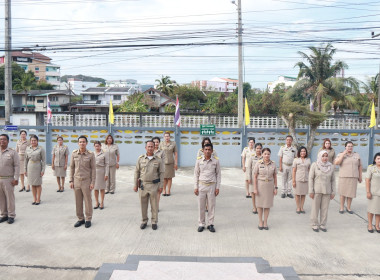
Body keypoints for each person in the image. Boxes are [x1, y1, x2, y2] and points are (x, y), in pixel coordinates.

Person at [134, 140, 164, 230]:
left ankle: (154, 222)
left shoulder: (158, 159)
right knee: (143, 205)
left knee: (154, 205)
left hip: (154, 185)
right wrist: (135, 184)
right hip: (143, 185)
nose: (150, 148)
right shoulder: (141, 159)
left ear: (154, 147)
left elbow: (162, 173)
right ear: (145, 148)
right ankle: (144, 221)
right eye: (148, 146)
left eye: (152, 146)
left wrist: (161, 186)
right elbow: (137, 172)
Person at [69, 136, 96, 228]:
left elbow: (93, 169)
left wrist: (92, 182)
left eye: (83, 142)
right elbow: (72, 167)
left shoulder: (90, 154)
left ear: (86, 143)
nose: (82, 143)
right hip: (76, 181)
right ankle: (80, 219)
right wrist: (71, 180)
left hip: (86, 181)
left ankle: (88, 218)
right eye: (80, 142)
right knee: (78, 201)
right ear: (78, 143)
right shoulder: (74, 154)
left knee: (88, 201)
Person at [194, 143, 221, 233]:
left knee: (211, 206)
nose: (207, 151)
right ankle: (201, 224)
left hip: (212, 186)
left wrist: (217, 187)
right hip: (201, 186)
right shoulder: (199, 161)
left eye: (209, 149)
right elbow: (196, 174)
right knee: (201, 206)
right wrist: (195, 187)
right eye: (206, 149)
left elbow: (218, 175)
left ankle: (210, 224)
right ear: (203, 150)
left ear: (212, 151)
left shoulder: (216, 161)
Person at [309, 150, 336, 232]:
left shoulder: (331, 166)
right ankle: (314, 224)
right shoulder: (315, 165)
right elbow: (311, 178)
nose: (325, 158)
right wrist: (311, 191)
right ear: (320, 156)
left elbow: (333, 180)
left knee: (325, 209)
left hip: (327, 191)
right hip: (317, 190)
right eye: (323, 156)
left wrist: (333, 191)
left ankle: (323, 224)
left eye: (326, 156)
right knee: (315, 208)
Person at [334, 141, 362, 214]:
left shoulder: (356, 155)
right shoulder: (341, 154)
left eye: (351, 146)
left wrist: (360, 176)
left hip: (353, 177)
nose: (350, 147)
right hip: (344, 177)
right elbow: (336, 163)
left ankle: (349, 207)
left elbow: (360, 166)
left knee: (351, 193)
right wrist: (343, 154)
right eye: (348, 146)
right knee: (342, 193)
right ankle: (342, 207)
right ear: (345, 147)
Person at [253, 148, 277, 230]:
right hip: (260, 185)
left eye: (268, 154)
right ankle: (260, 221)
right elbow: (255, 176)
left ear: (270, 155)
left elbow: (275, 176)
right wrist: (255, 188)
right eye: (265, 154)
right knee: (259, 205)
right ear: (262, 154)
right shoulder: (258, 163)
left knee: (267, 205)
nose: (267, 155)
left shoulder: (273, 164)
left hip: (270, 186)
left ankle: (265, 222)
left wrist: (276, 188)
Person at [0, 134, 20, 224]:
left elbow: (17, 165)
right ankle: (4, 215)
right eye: (0, 139)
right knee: (1, 198)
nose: (2, 141)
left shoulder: (12, 152)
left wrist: (16, 178)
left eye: (4, 139)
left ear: (8, 141)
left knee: (10, 198)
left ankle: (11, 215)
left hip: (8, 179)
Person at [25, 135, 46, 205]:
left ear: (37, 141)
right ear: (30, 141)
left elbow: (44, 160)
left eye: (34, 140)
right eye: (32, 140)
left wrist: (43, 170)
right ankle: (34, 198)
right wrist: (25, 170)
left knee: (38, 184)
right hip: (30, 167)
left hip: (37, 166)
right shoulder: (28, 148)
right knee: (32, 184)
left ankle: (38, 199)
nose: (33, 142)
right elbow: (26, 160)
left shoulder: (41, 149)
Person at [292, 146, 311, 214]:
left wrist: (310, 179)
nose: (303, 152)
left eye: (304, 151)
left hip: (305, 179)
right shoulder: (296, 160)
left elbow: (309, 170)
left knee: (303, 194)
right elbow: (294, 171)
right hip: (298, 179)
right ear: (299, 152)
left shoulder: (308, 160)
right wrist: (293, 181)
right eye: (301, 151)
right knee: (297, 194)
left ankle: (302, 207)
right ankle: (298, 207)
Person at [159, 132, 178, 196]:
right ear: (164, 137)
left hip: (170, 163)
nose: (167, 137)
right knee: (164, 177)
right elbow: (159, 153)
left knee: (169, 177)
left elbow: (175, 153)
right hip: (163, 163)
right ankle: (164, 190)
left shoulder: (173, 143)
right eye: (165, 136)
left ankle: (168, 190)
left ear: (170, 137)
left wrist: (176, 163)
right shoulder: (161, 144)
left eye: (168, 136)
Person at [365, 153, 380, 233]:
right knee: (371, 210)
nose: (379, 160)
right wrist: (368, 192)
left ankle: (377, 225)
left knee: (379, 210)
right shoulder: (371, 168)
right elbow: (367, 180)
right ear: (375, 159)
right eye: (378, 158)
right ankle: (370, 224)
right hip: (373, 193)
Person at [248, 143, 263, 214]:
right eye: (257, 148)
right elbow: (249, 168)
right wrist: (249, 178)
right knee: (253, 193)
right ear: (255, 149)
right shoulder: (252, 157)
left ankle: (259, 206)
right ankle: (254, 207)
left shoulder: (264, 157)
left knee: (260, 193)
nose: (258, 150)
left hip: (261, 178)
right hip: (253, 177)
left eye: (260, 148)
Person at [93, 141, 109, 210]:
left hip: (102, 172)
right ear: (94, 146)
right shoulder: (92, 154)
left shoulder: (104, 153)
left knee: (102, 188)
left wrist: (106, 174)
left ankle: (102, 202)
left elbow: (107, 164)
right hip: (94, 172)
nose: (97, 147)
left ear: (100, 146)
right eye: (96, 146)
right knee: (95, 188)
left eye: (98, 146)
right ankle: (97, 202)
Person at [152, 136, 165, 211]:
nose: (156, 143)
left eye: (157, 142)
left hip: (159, 173)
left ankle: (156, 206)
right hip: (151, 174)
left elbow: (163, 163)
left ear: (159, 143)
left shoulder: (162, 152)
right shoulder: (149, 150)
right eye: (154, 142)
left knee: (158, 191)